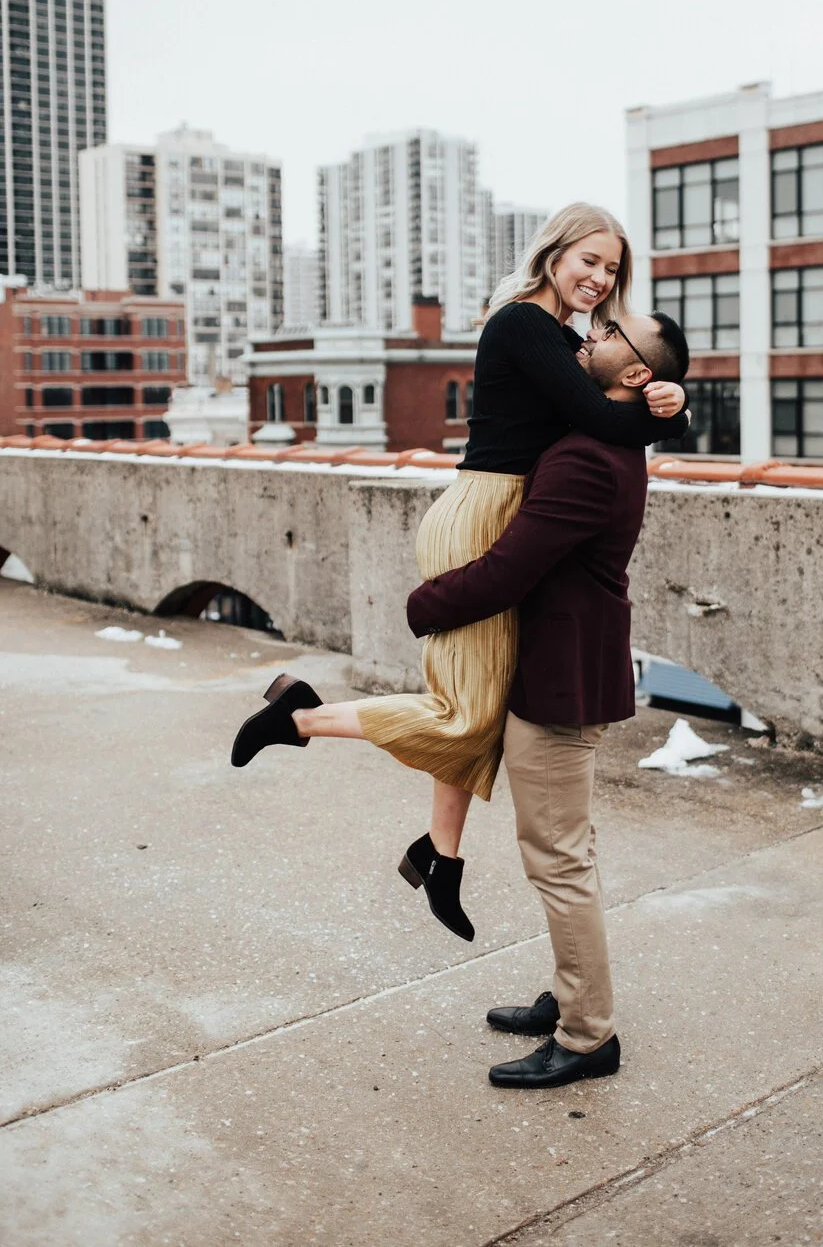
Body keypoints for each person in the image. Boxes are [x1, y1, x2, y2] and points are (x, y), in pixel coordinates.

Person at [230, 204, 689, 945]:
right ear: (554, 253)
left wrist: (663, 398)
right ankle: (299, 717)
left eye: (612, 270)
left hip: (509, 509)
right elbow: (601, 422)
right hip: (484, 511)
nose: (599, 281)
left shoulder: (572, 337)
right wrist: (668, 412)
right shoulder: (522, 325)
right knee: (466, 714)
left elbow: (599, 413)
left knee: (477, 704)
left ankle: (442, 860)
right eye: (589, 262)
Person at [405, 310, 688, 1088]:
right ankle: (571, 995)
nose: (588, 338)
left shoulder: (592, 457)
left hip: (562, 681)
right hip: (569, 667)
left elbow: (509, 570)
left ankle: (589, 1034)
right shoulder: (605, 436)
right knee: (566, 854)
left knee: (559, 861)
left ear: (634, 374)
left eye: (608, 335)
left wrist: (426, 603)